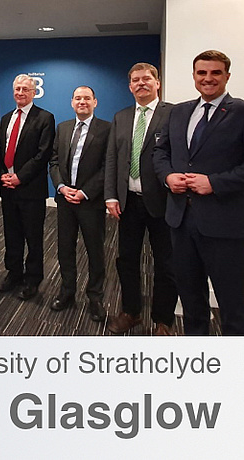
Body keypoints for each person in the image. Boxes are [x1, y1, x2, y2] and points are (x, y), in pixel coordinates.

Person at [154, 50, 244, 335]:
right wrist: (168, 176)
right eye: (202, 73)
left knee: (233, 304)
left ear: (227, 76)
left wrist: (214, 183)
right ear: (194, 76)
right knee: (191, 298)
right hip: (180, 220)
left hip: (223, 224)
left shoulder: (241, 112)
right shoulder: (178, 112)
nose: (208, 79)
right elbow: (161, 152)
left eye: (215, 73)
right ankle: (198, 356)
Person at [104, 62, 177, 335]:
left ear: (157, 83)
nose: (140, 83)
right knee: (127, 260)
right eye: (135, 80)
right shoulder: (121, 117)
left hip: (163, 202)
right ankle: (131, 311)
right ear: (130, 86)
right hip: (129, 202)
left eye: (146, 79)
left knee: (165, 264)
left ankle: (163, 320)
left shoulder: (172, 114)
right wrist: (111, 196)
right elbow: (112, 158)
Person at [49, 86, 111, 320]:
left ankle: (95, 297)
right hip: (65, 199)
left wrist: (85, 192)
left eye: (86, 98)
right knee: (65, 248)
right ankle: (67, 291)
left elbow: (108, 166)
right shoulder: (63, 128)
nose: (82, 101)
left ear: (95, 102)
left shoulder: (106, 129)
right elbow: (54, 162)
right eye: (78, 98)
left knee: (95, 250)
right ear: (72, 102)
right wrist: (62, 187)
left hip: (90, 202)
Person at [0, 74, 54, 301]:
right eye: (17, 89)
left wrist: (20, 177)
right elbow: (0, 151)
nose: (20, 93)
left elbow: (43, 154)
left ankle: (33, 279)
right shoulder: (6, 118)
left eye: (25, 89)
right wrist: (3, 175)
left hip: (30, 189)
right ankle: (14, 273)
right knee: (12, 233)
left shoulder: (44, 118)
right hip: (7, 188)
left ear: (33, 92)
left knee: (33, 236)